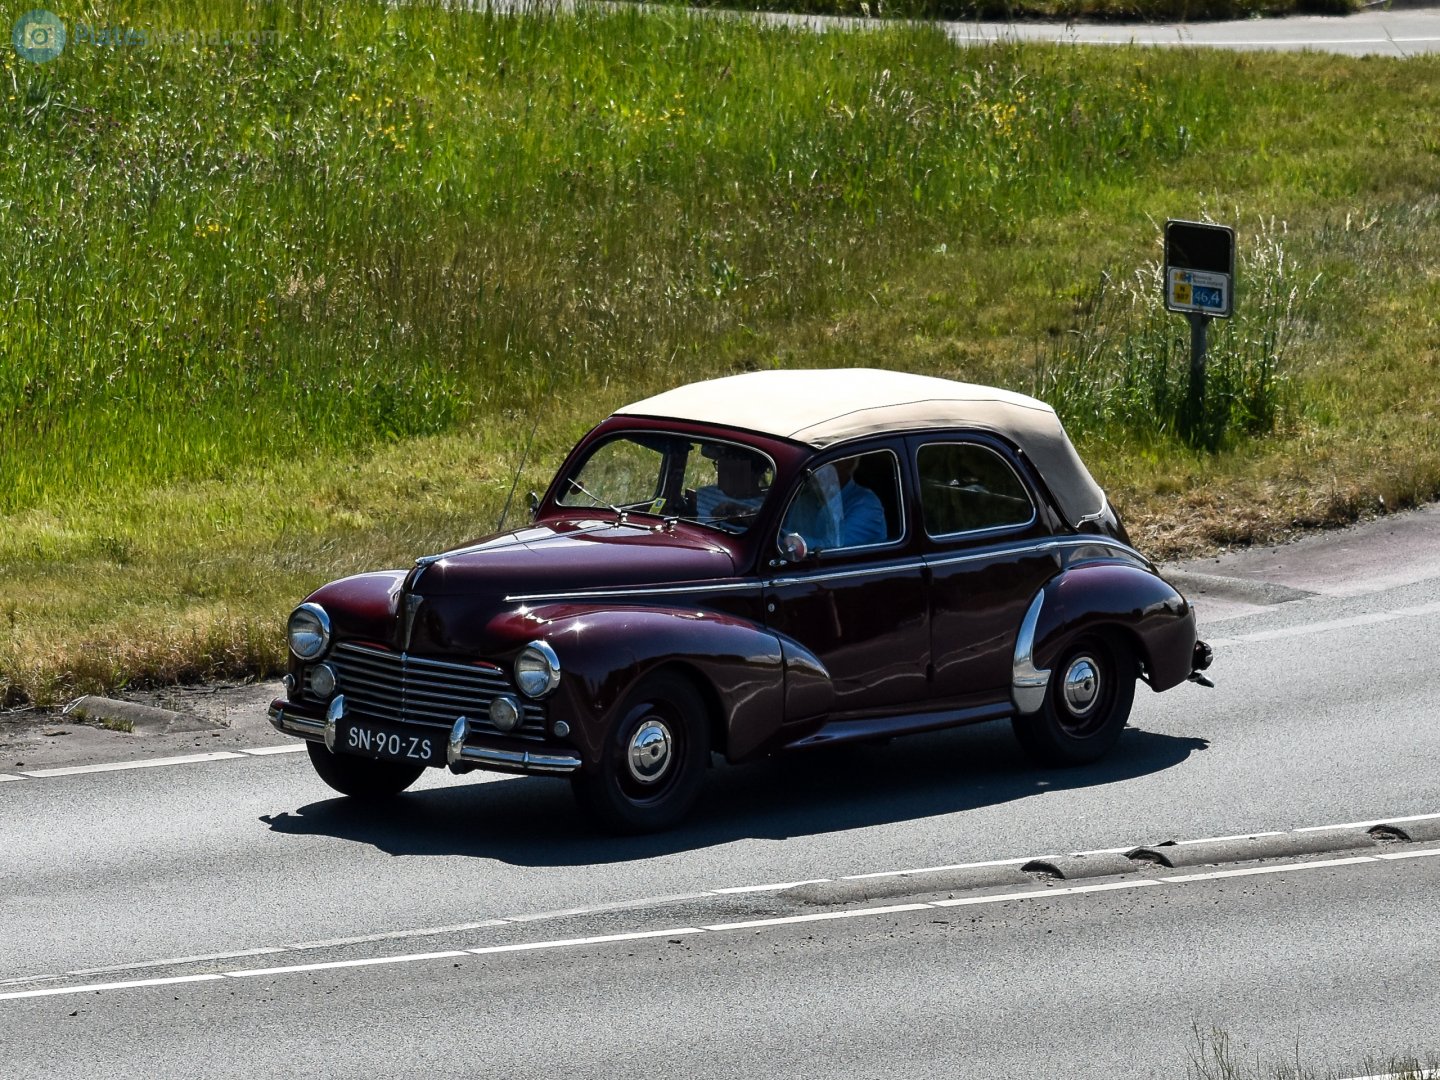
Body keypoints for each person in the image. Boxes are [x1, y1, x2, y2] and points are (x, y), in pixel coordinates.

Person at [782, 455, 888, 551]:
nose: (813, 471)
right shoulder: (808, 499)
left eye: (822, 463)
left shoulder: (866, 505)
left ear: (846, 463)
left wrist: (787, 541)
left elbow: (837, 548)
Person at [694, 447, 767, 524]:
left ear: (757, 470)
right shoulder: (701, 495)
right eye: (723, 459)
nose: (723, 468)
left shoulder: (767, 508)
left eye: (735, 461)